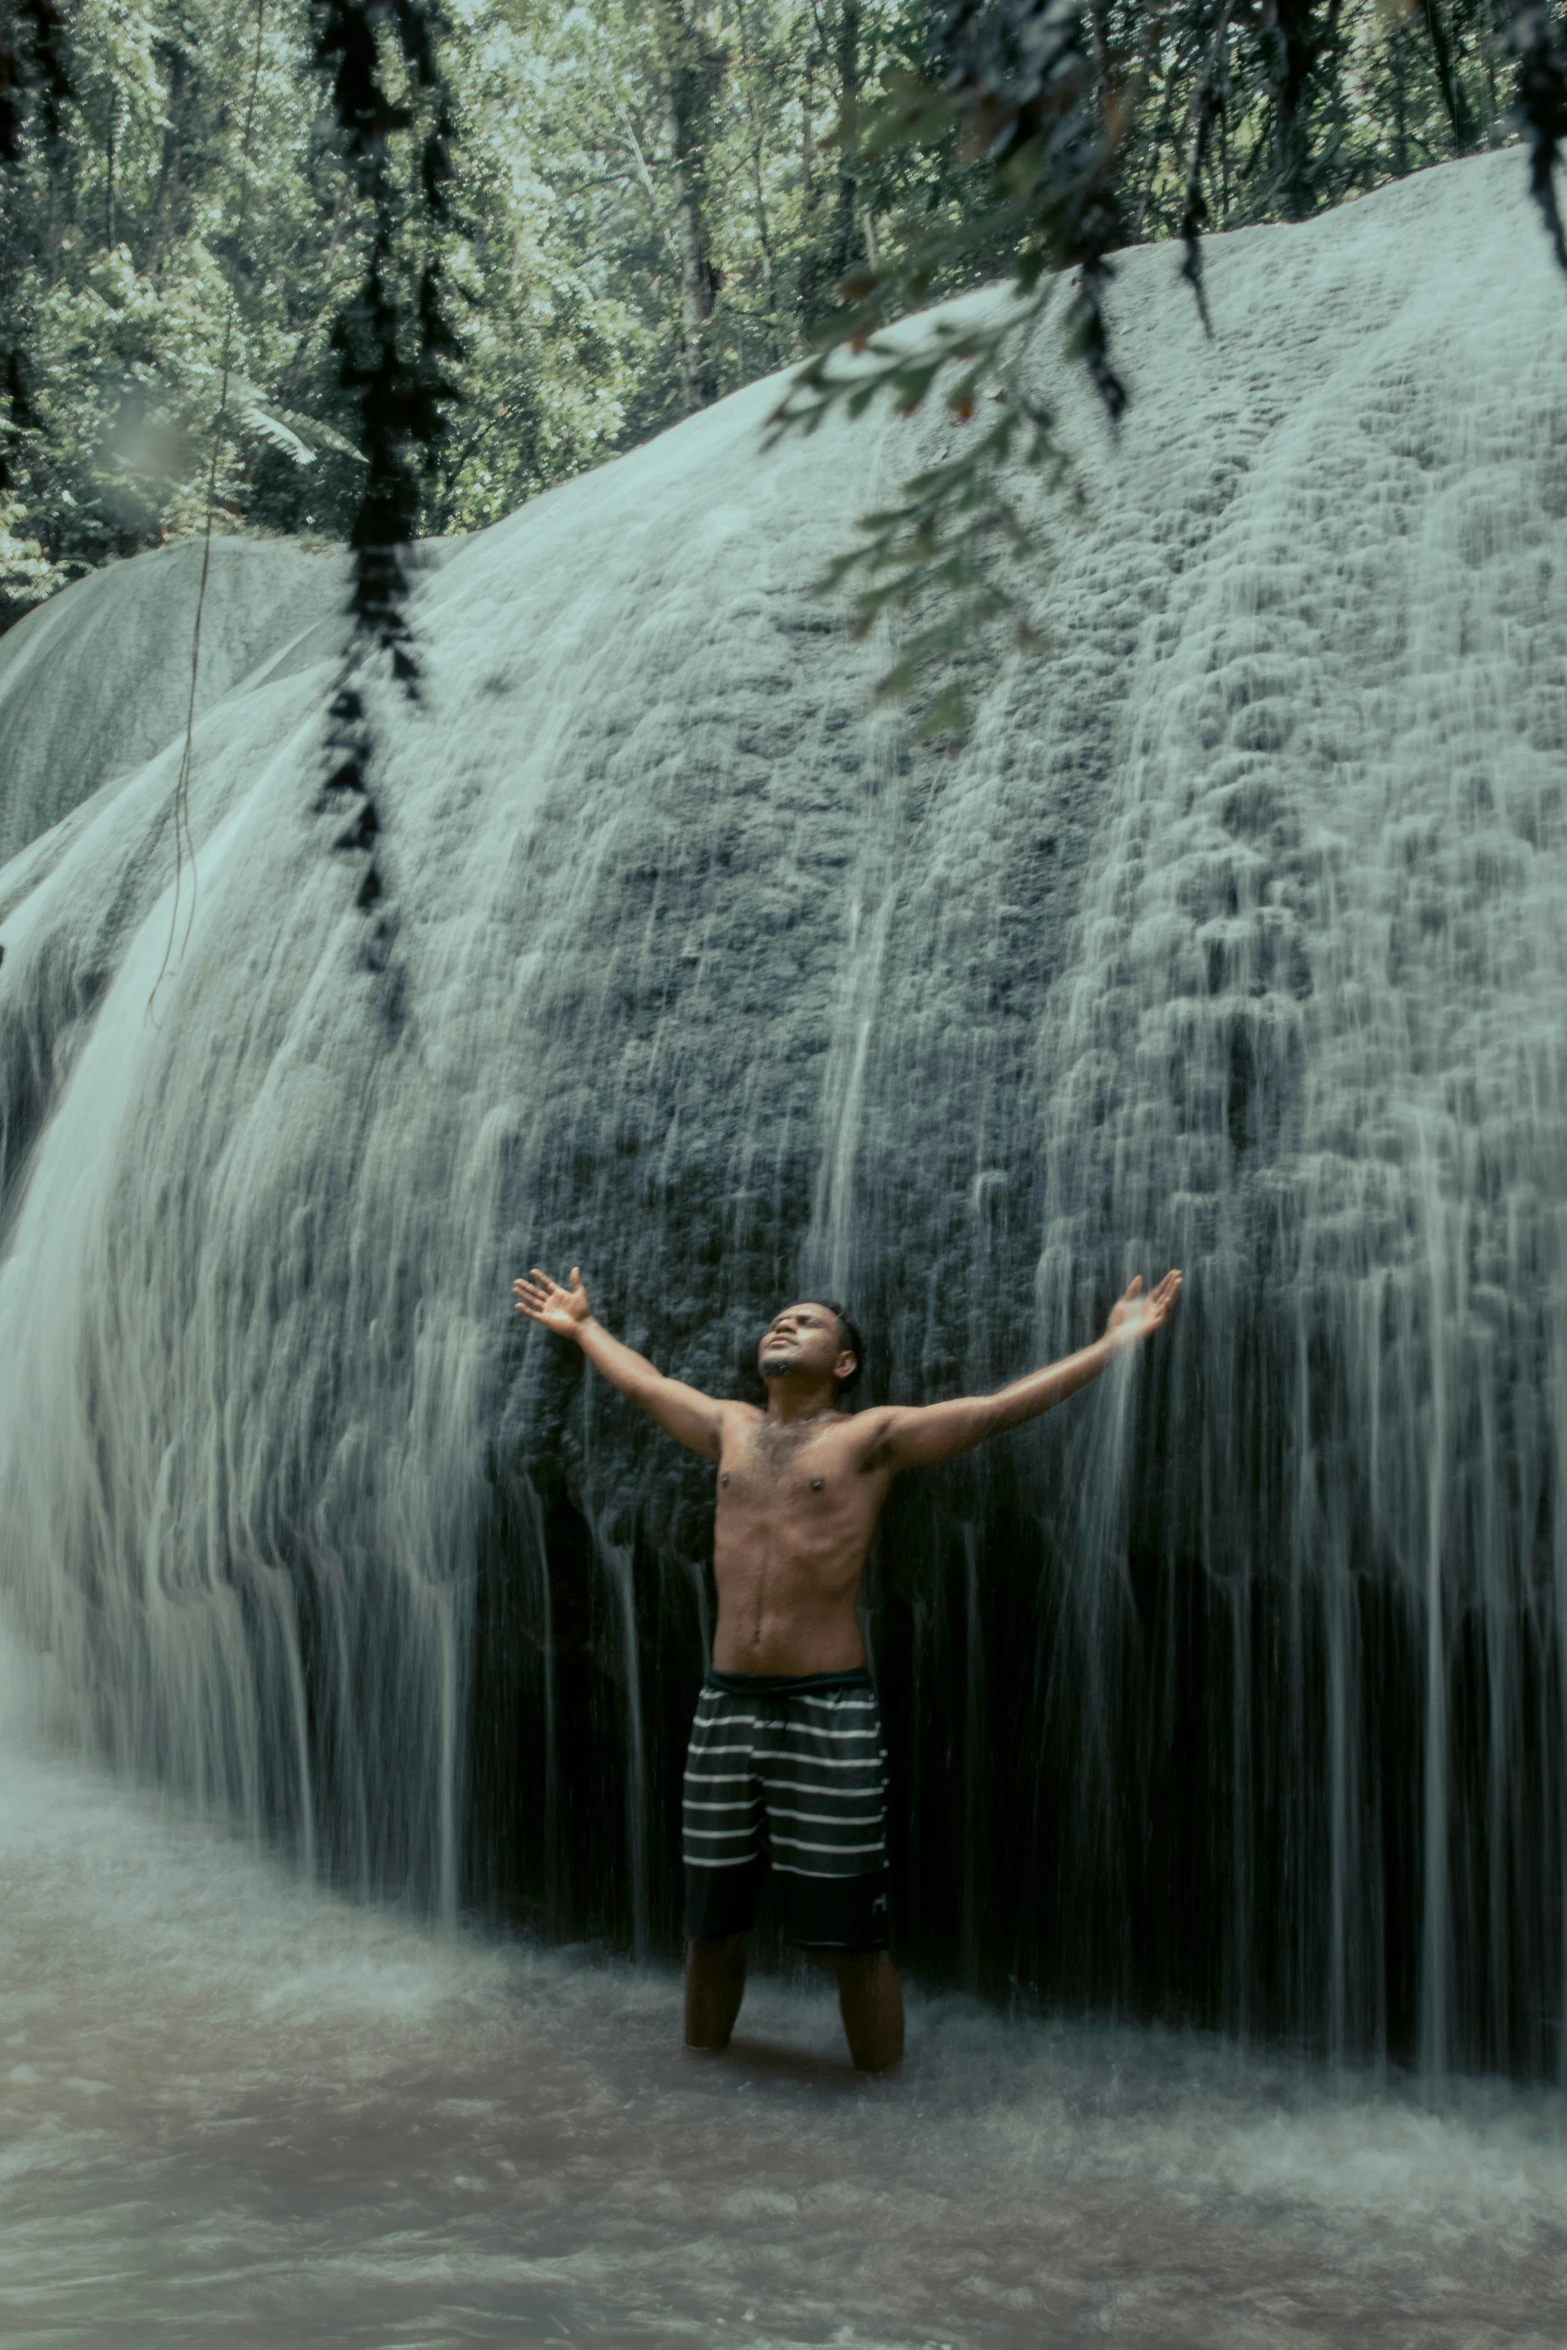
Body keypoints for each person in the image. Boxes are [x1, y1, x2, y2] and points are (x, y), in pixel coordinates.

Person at [511, 1262, 1182, 2075]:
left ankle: (880, 2116)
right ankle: (695, 2101)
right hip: (722, 1707)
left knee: (851, 1942)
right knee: (709, 1931)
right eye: (775, 1320)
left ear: (844, 1364)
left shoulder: (869, 1438)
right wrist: (582, 1329)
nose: (782, 1327)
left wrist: (1111, 1345)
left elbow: (993, 1412)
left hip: (826, 1710)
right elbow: (647, 1384)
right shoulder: (728, 1425)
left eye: (806, 1323)